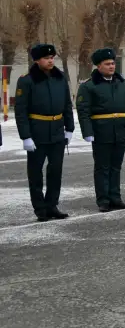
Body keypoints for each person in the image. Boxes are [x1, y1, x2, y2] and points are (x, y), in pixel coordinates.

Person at [76, 47, 125, 212]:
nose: (112, 66)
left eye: (113, 63)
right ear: (98, 66)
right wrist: (88, 132)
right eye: (107, 64)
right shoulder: (89, 86)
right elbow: (84, 112)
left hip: (120, 131)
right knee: (102, 167)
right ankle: (103, 200)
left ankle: (115, 197)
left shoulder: (122, 83)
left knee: (116, 167)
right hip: (101, 131)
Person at [15, 43, 74, 221]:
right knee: (35, 173)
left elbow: (67, 105)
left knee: (55, 171)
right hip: (37, 132)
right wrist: (26, 136)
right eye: (46, 58)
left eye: (52, 58)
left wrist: (69, 128)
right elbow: (21, 111)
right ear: (37, 60)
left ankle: (52, 205)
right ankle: (40, 208)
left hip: (57, 131)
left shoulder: (60, 77)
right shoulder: (26, 80)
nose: (50, 61)